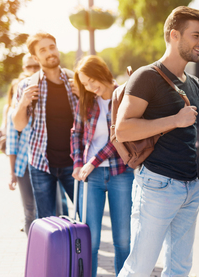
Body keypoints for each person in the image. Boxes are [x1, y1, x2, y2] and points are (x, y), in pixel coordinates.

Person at [115, 6, 199, 277]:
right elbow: (122, 130)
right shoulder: (146, 77)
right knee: (140, 268)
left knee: (179, 268)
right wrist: (174, 121)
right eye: (196, 36)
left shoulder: (195, 84)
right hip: (157, 186)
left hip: (190, 189)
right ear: (174, 35)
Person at [70, 55, 135, 277]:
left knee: (123, 239)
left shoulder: (125, 96)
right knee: (91, 239)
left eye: (91, 81)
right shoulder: (86, 101)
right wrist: (79, 163)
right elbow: (76, 133)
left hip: (122, 174)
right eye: (84, 84)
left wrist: (91, 162)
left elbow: (119, 137)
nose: (89, 87)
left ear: (102, 73)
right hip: (91, 177)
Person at [12, 33, 79, 219]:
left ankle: (83, 249)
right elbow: (18, 125)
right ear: (35, 57)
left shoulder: (76, 81)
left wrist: (83, 95)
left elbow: (90, 118)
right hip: (41, 164)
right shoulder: (27, 86)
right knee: (46, 221)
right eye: (43, 50)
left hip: (75, 163)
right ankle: (53, 250)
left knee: (86, 215)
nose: (50, 52)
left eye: (52, 47)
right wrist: (23, 103)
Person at [6, 73, 36, 235]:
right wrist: (11, 173)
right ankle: (33, 249)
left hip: (45, 164)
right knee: (29, 210)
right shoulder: (14, 112)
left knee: (51, 208)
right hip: (24, 166)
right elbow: (11, 145)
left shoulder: (40, 106)